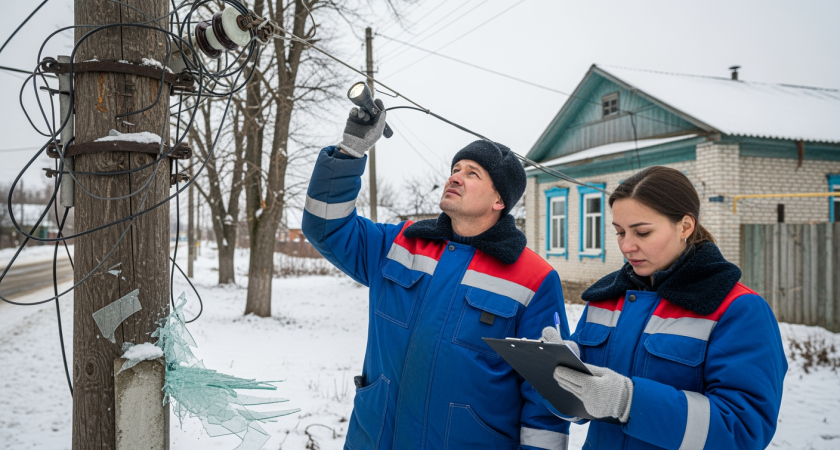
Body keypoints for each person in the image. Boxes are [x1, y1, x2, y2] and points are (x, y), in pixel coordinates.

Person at [302, 99, 572, 450]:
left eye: (472, 173)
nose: (455, 176)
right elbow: (325, 227)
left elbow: (544, 403)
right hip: (374, 439)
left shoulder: (533, 278)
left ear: (499, 201)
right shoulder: (398, 243)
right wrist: (350, 151)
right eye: (456, 168)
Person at [541, 166, 787, 449]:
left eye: (642, 232)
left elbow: (744, 430)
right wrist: (561, 375)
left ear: (685, 226)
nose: (627, 246)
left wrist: (630, 402)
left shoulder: (737, 310)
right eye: (620, 232)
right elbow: (580, 407)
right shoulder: (605, 298)